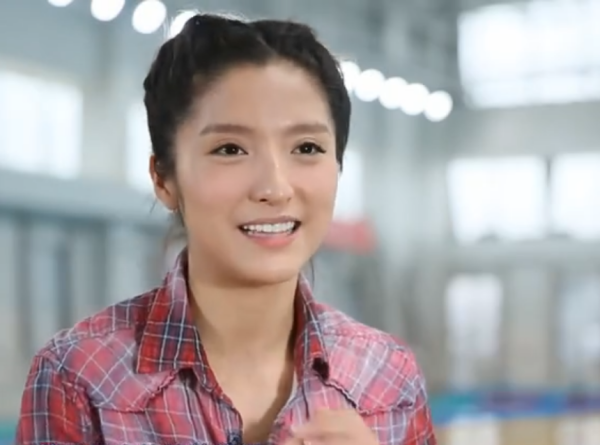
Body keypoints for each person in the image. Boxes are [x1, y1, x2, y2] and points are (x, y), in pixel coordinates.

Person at [15, 13, 436, 445]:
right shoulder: (79, 379)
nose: (275, 187)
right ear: (164, 178)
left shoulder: (388, 378)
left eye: (307, 147)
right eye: (230, 149)